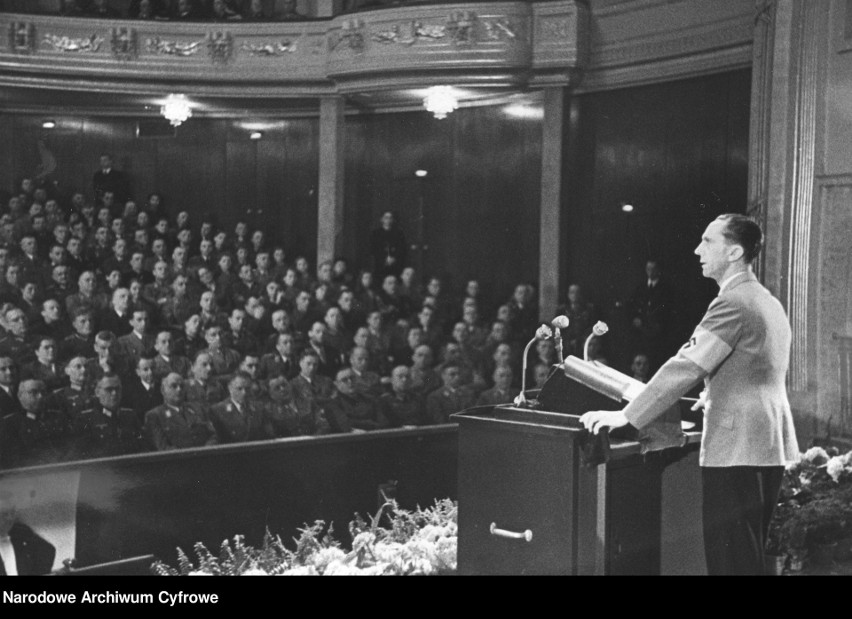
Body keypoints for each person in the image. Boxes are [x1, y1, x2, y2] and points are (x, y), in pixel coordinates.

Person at [580, 214, 799, 576]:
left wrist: (628, 415)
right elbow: (758, 370)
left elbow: (686, 365)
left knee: (730, 562)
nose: (697, 250)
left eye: (707, 242)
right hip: (766, 442)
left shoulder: (732, 303)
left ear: (735, 252)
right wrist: (717, 392)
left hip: (735, 447)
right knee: (748, 558)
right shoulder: (766, 300)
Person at [0, 482, 56, 575]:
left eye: (12, 512)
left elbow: (48, 550)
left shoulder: (19, 531)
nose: (10, 518)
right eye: (4, 514)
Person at [369, 211, 407, 279]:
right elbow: (373, 249)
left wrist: (394, 258)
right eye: (386, 218)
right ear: (382, 219)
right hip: (380, 264)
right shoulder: (375, 233)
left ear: (393, 220)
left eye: (390, 218)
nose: (388, 220)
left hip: (395, 264)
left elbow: (402, 249)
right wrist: (384, 259)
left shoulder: (399, 233)